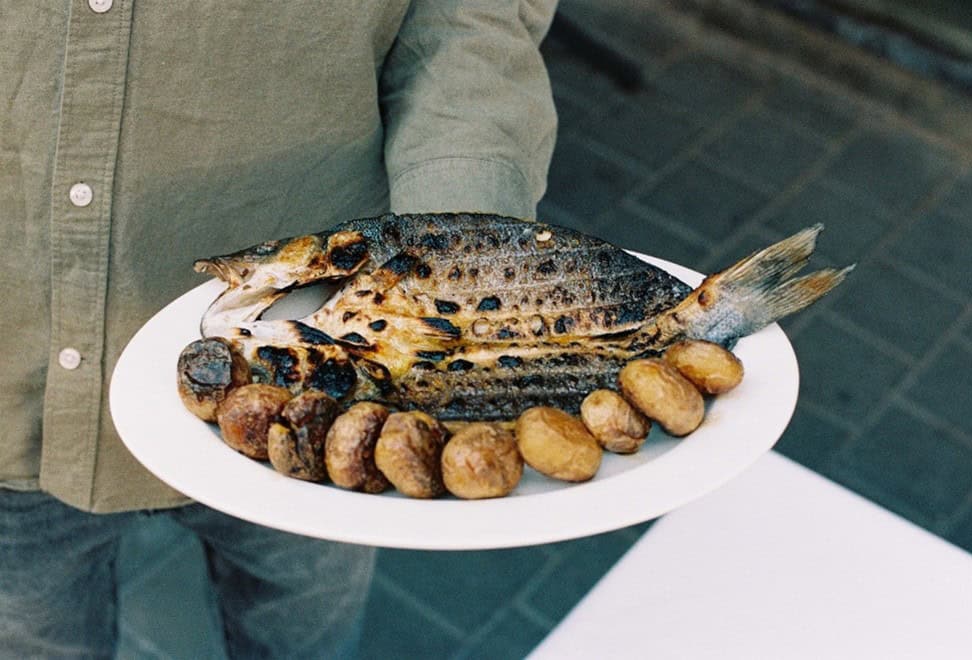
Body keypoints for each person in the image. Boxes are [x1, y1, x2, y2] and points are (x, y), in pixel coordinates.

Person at [0, 1, 558, 657]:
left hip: (314, 378)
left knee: (306, 646)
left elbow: (466, 20)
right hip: (15, 374)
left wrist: (460, 259)